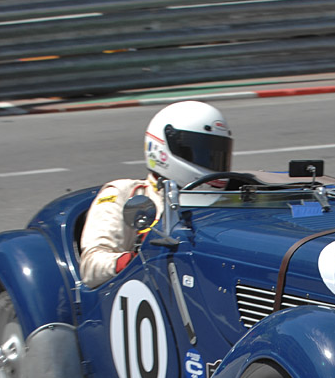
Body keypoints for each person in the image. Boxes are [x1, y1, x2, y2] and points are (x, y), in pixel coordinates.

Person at [79, 100, 234, 287]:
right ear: (161, 148)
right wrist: (137, 259)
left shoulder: (229, 199)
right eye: (200, 151)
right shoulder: (124, 193)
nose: (211, 160)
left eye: (217, 154)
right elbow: (91, 266)